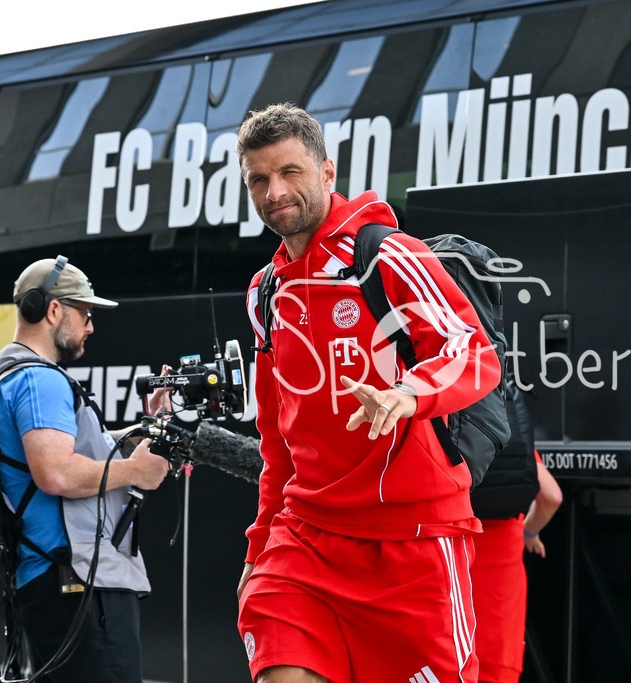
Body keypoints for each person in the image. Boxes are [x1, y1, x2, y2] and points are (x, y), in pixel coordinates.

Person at [234, 102, 501, 683]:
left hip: (413, 542)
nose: (274, 191)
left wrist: (410, 392)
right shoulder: (264, 293)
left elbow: (473, 354)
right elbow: (277, 444)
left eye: (289, 172)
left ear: (327, 173)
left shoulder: (387, 255)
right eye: (259, 178)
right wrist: (259, 548)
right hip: (305, 540)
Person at [0, 257, 171, 682]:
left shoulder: (8, 374)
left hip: (57, 583)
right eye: (84, 313)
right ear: (53, 311)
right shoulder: (39, 380)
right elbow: (57, 473)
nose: (90, 325)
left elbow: (81, 452)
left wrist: (144, 430)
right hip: (77, 585)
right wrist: (136, 472)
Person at [474, 455, 562, 683]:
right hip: (497, 616)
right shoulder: (508, 431)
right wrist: (530, 532)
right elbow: (552, 497)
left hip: (444, 614)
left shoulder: (440, 429)